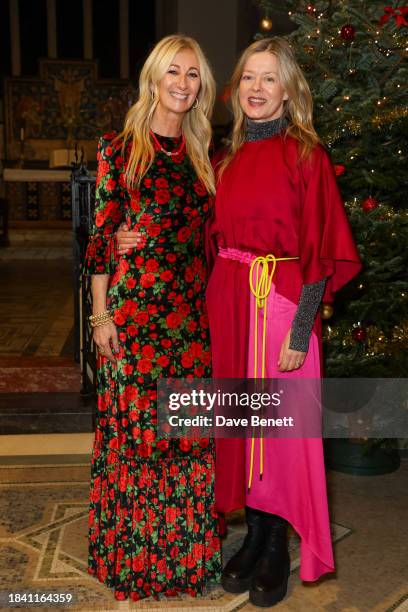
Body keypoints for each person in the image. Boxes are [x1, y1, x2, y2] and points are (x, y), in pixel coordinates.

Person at [204, 37, 361, 608]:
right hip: (230, 301)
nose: (257, 88)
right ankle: (253, 534)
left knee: (282, 434)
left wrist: (301, 331)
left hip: (281, 306)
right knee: (242, 428)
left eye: (270, 78)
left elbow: (321, 247)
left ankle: (275, 546)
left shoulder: (305, 154)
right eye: (249, 77)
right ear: (236, 86)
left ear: (289, 89)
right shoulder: (225, 156)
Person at [83, 34, 221, 601]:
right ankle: (132, 563)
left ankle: (184, 562)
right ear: (154, 79)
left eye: (193, 74)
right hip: (135, 316)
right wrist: (99, 319)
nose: (183, 84)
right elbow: (98, 243)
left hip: (190, 320)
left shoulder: (205, 154)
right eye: (174, 72)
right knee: (137, 438)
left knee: (186, 436)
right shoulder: (120, 149)